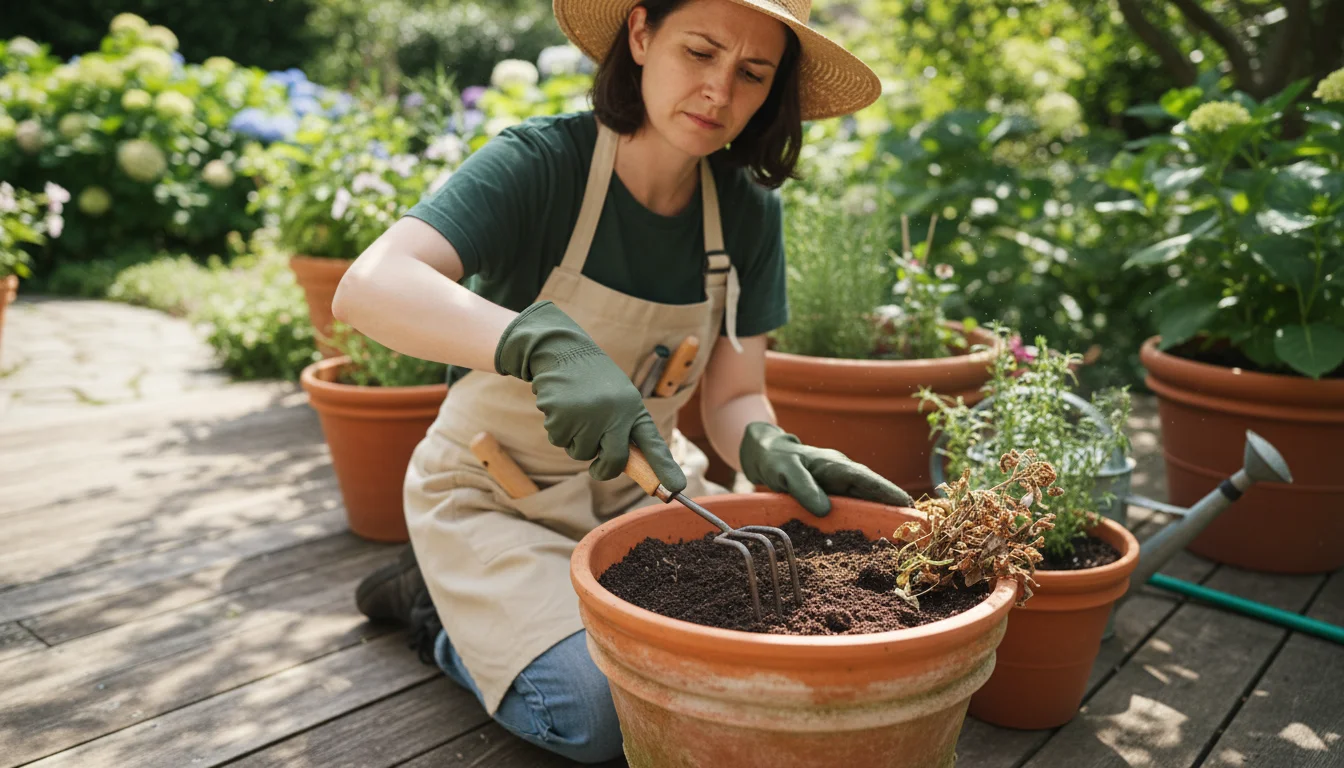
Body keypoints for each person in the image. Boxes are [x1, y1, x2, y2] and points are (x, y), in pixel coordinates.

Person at [331, 0, 910, 762]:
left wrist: (765, 442)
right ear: (640, 34)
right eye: (699, 52)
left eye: (752, 73)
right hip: (495, 499)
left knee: (757, 664)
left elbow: (734, 396)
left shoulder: (746, 213)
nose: (718, 91)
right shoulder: (543, 164)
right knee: (609, 717)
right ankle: (435, 610)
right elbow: (369, 286)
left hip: (647, 497)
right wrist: (533, 342)